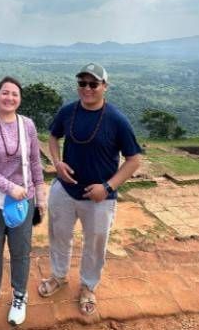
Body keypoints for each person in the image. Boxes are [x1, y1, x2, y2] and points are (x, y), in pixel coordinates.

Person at [38, 63, 142, 316]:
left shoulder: (117, 120)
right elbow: (53, 137)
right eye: (82, 83)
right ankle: (59, 276)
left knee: (95, 244)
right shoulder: (68, 112)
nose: (87, 88)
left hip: (99, 198)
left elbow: (134, 160)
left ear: (104, 87)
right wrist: (57, 162)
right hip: (65, 190)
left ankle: (88, 286)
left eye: (93, 84)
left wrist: (107, 187)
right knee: (59, 236)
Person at [0, 76, 45, 326]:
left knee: (20, 251)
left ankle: (19, 296)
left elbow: (35, 162)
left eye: (14, 94)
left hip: (23, 201)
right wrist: (9, 187)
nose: (9, 97)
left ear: (20, 99)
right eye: (5, 92)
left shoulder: (28, 126)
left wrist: (40, 199)